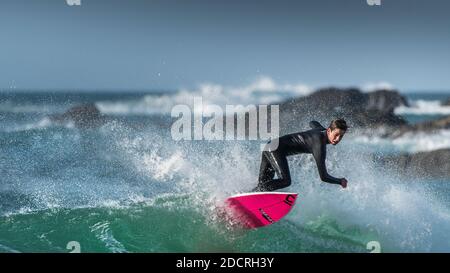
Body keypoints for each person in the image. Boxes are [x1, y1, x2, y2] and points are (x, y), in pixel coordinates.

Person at [253, 119, 348, 192]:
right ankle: (251, 193)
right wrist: (340, 181)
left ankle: (246, 196)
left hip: (270, 145)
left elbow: (313, 122)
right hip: (275, 149)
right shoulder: (319, 144)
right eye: (336, 134)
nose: (338, 139)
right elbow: (323, 176)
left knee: (263, 184)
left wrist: (317, 127)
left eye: (341, 136)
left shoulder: (320, 130)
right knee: (285, 181)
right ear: (328, 131)